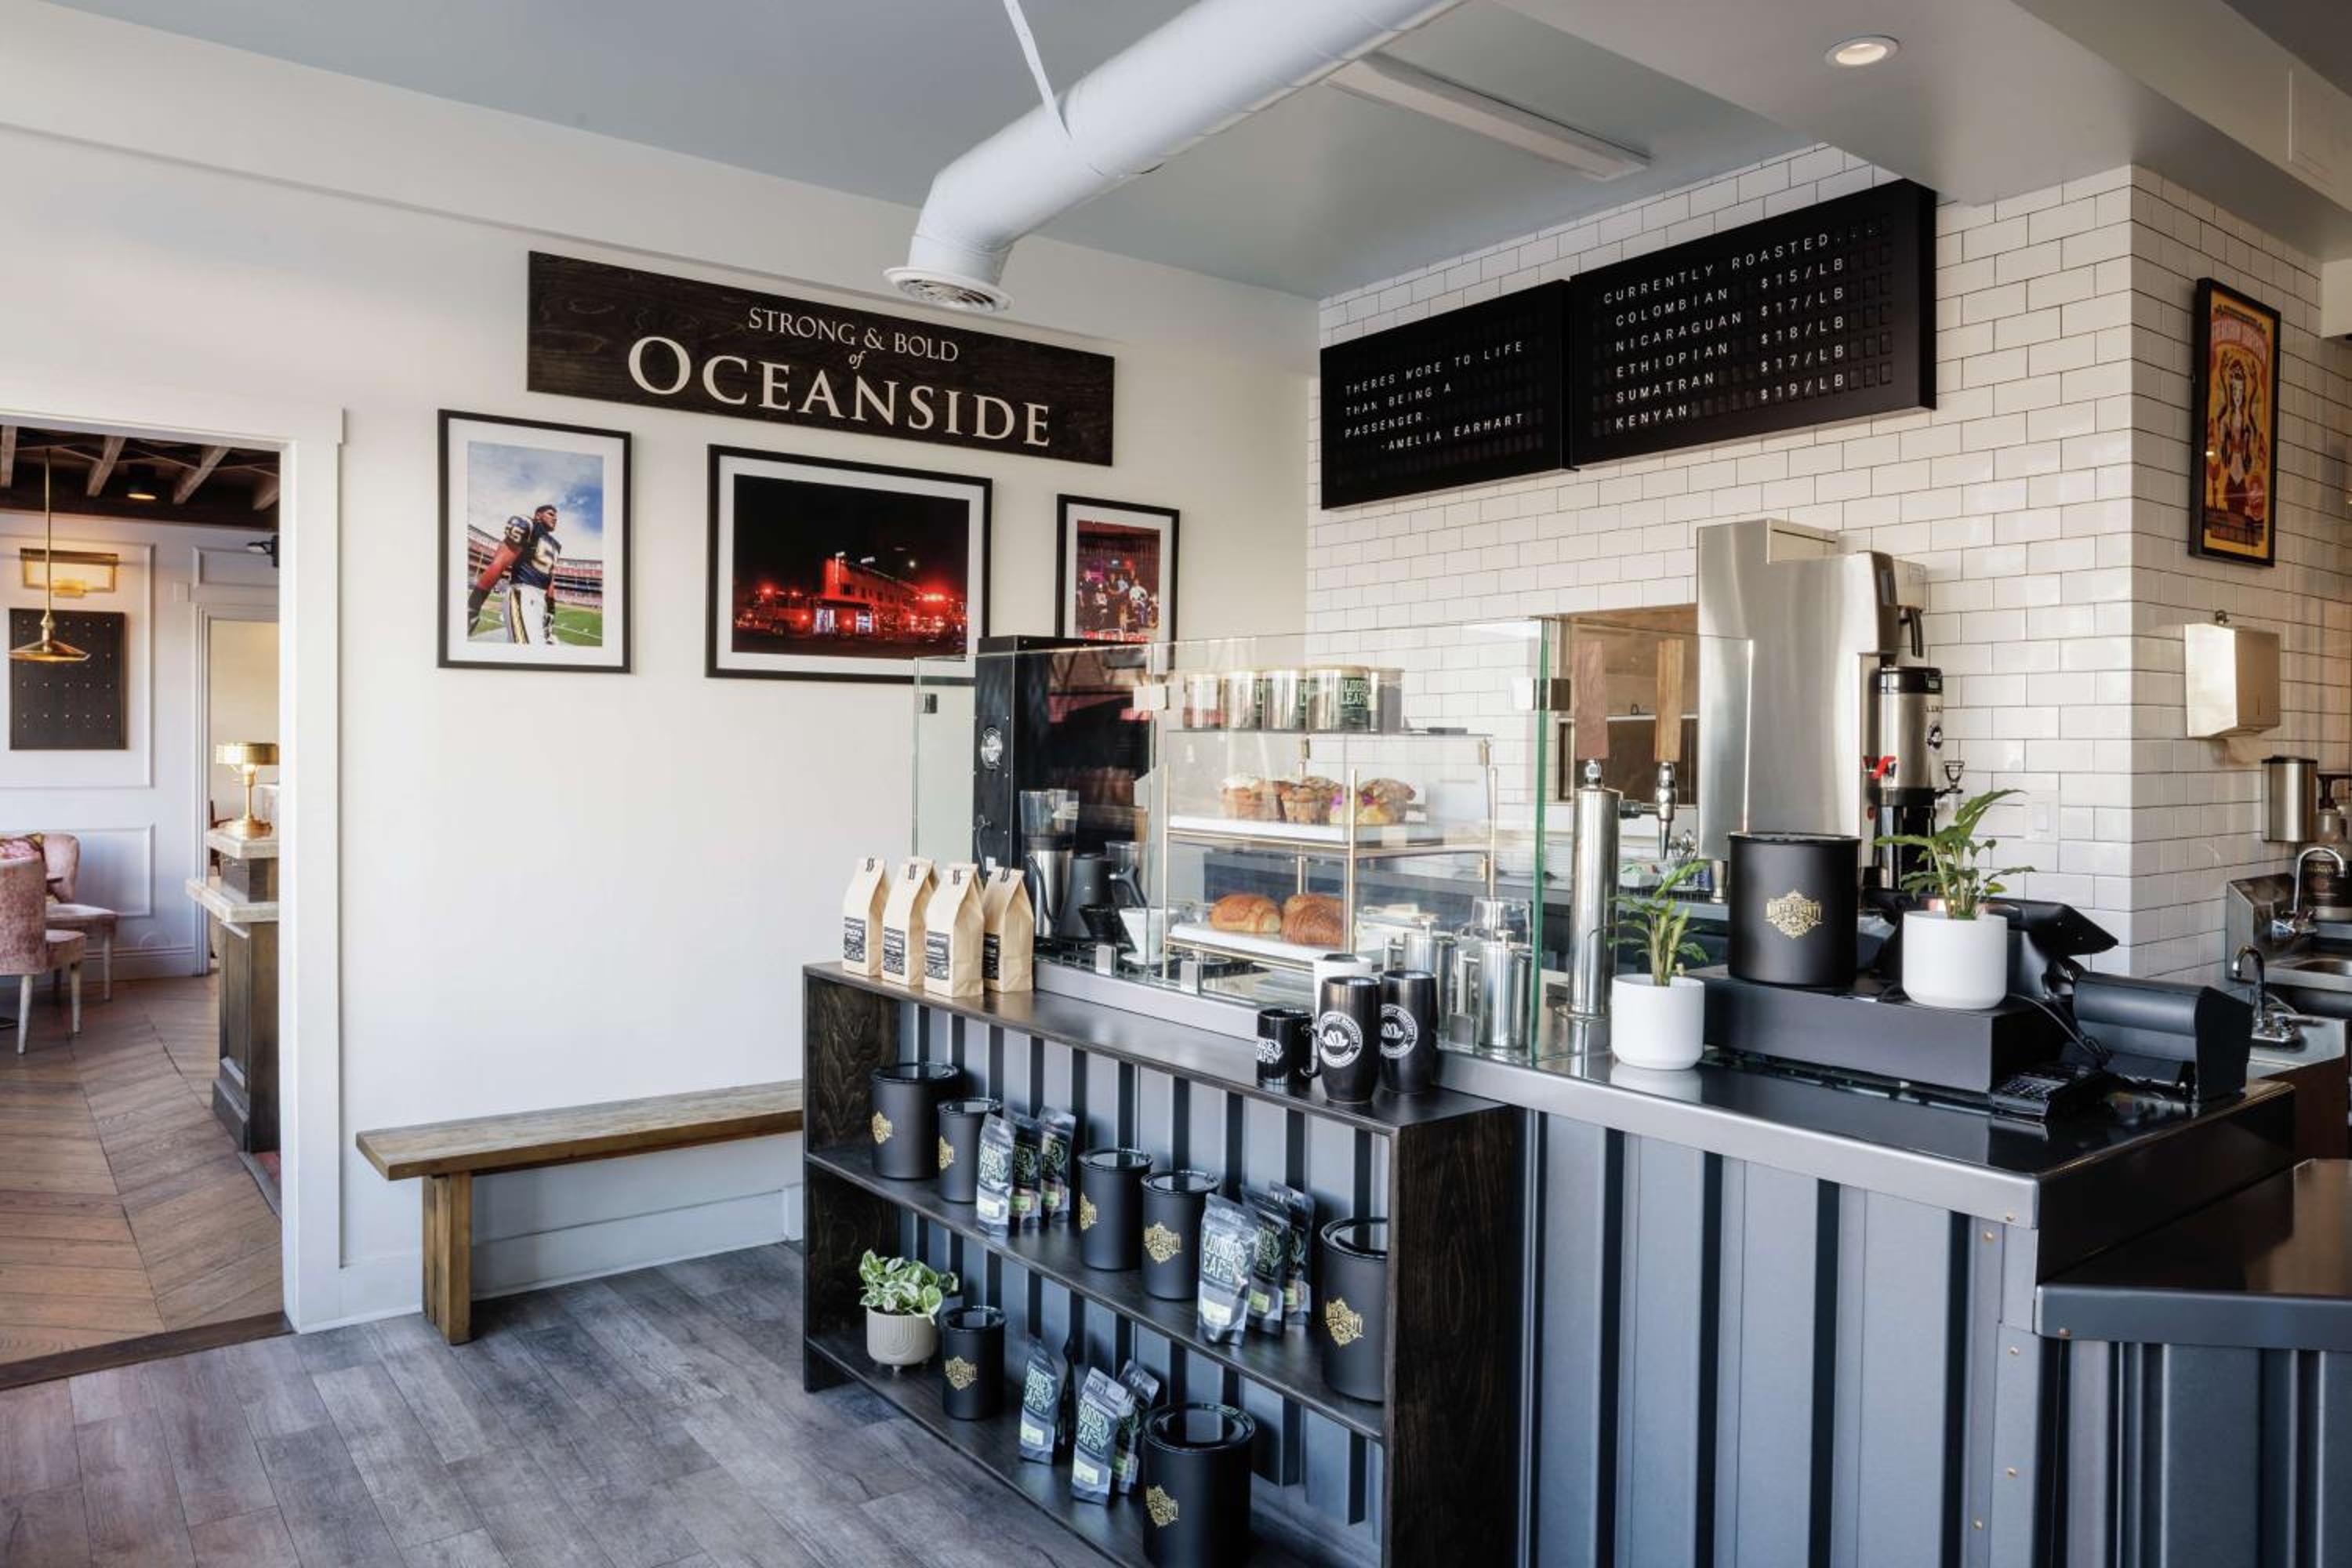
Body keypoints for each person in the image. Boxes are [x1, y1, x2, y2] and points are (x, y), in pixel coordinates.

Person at [467, 503, 563, 644]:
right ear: (538, 515)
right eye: (551, 514)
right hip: (522, 594)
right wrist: (473, 606)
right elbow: (499, 563)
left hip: (540, 601)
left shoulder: (556, 545)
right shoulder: (528, 526)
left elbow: (550, 578)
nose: (555, 518)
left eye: (556, 516)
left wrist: (550, 610)